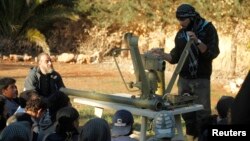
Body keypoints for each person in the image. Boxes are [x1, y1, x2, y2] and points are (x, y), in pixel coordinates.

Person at [152, 3, 219, 140]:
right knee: (185, 112)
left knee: (202, 113)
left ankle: (203, 137)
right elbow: (175, 57)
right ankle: (190, 137)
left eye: (183, 19)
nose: (181, 23)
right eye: (179, 20)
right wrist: (162, 54)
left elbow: (213, 53)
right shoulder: (181, 34)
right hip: (184, 79)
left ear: (192, 17)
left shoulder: (208, 29)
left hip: (201, 78)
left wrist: (198, 41)